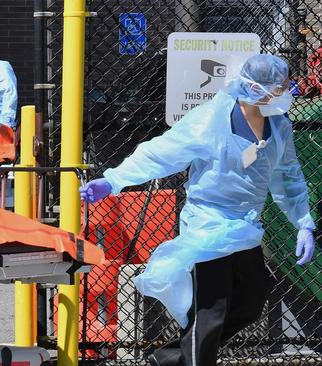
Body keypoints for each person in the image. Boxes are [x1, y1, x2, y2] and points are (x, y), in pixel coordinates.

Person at [79, 54, 316, 366]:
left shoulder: (278, 125)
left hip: (246, 228)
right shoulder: (209, 122)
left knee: (251, 303)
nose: (290, 91)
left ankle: (169, 358)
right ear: (258, 89)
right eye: (282, 86)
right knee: (211, 311)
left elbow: (287, 175)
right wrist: (113, 181)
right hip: (209, 226)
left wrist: (303, 221)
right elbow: (161, 154)